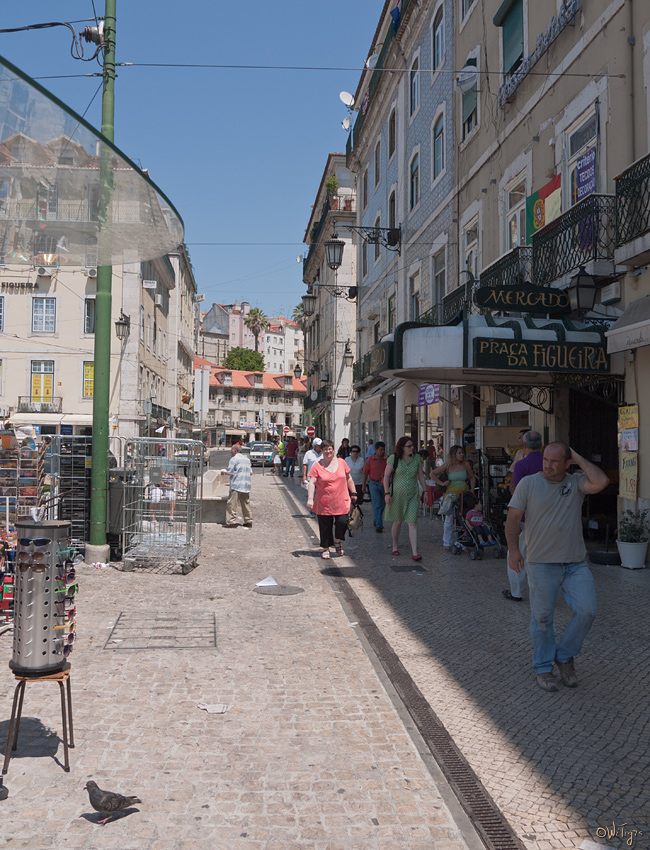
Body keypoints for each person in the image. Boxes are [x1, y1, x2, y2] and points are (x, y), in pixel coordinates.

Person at [505, 442, 609, 692]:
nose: (548, 465)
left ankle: (563, 655)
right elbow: (513, 519)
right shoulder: (528, 484)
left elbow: (601, 482)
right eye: (545, 460)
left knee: (587, 611)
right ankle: (542, 667)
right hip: (541, 563)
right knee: (541, 618)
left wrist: (578, 457)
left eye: (554, 461)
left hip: (575, 563)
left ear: (566, 463)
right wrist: (513, 550)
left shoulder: (575, 482)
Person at [503, 430, 544, 602]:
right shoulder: (550, 463)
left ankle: (516, 591)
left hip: (528, 516)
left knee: (518, 552)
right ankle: (544, 592)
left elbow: (520, 492)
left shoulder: (521, 465)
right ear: (542, 445)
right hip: (549, 516)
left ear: (525, 445)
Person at [306, 440, 357, 559]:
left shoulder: (341, 462)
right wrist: (310, 499)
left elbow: (349, 478)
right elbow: (312, 483)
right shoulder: (317, 465)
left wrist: (353, 492)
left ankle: (337, 541)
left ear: (333, 450)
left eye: (330, 449)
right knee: (325, 527)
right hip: (324, 502)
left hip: (341, 501)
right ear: (322, 451)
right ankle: (326, 548)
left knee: (342, 522)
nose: (328, 451)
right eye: (325, 449)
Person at [383, 436, 428, 561]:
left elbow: (421, 476)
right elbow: (386, 476)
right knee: (397, 521)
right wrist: (387, 493)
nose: (412, 448)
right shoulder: (394, 458)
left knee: (412, 522)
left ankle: (415, 552)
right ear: (402, 448)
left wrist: (425, 491)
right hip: (397, 496)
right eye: (409, 446)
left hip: (413, 495)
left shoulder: (417, 458)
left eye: (413, 445)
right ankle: (395, 546)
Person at [429, 445, 477, 551]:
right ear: (454, 454)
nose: (461, 455)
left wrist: (472, 491)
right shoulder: (448, 465)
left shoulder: (466, 465)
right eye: (459, 453)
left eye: (462, 453)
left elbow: (472, 478)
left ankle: (464, 543)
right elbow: (432, 474)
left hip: (464, 495)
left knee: (465, 519)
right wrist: (441, 483)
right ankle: (447, 543)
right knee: (449, 519)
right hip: (451, 495)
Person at [220, 443, 253, 528]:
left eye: (231, 450)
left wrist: (224, 472)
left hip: (236, 485)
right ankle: (248, 521)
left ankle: (231, 522)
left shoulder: (234, 459)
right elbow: (251, 472)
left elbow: (231, 472)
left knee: (232, 504)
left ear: (235, 450)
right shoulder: (247, 459)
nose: (230, 452)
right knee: (246, 504)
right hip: (246, 485)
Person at [363, 440, 387, 533]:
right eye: (380, 449)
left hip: (384, 484)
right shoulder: (370, 460)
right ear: (376, 450)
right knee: (376, 504)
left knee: (383, 504)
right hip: (373, 483)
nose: (382, 451)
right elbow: (365, 473)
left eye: (383, 450)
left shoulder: (387, 460)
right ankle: (379, 525)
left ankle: (376, 519)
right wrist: (364, 485)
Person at [302, 438, 324, 516]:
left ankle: (319, 510)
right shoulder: (309, 453)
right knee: (313, 495)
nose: (320, 447)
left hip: (321, 478)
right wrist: (304, 476)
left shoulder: (323, 453)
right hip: (311, 478)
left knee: (320, 495)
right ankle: (313, 511)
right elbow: (305, 465)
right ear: (314, 446)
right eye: (318, 446)